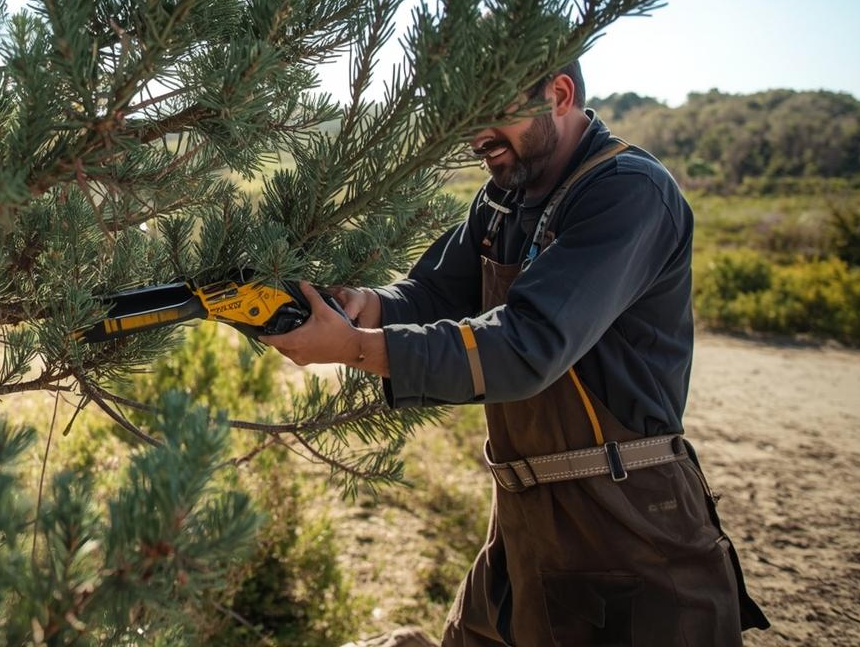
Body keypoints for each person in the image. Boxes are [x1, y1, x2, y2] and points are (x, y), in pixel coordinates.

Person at [260, 62, 768, 645]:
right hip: (521, 527)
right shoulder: (503, 198)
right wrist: (360, 307)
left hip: (627, 528)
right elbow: (429, 294)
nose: (475, 135)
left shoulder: (630, 192)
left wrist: (353, 349)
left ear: (559, 94)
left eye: (492, 113)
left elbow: (527, 346)